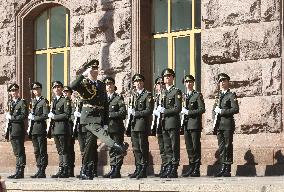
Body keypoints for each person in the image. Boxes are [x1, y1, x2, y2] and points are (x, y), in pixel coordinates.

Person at [70, 59, 128, 180]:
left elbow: (106, 105)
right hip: (88, 116)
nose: (95, 71)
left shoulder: (101, 85)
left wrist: (106, 122)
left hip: (98, 116)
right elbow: (72, 86)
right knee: (100, 136)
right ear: (88, 70)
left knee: (89, 146)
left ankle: (85, 171)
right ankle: (118, 147)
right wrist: (83, 74)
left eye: (96, 69)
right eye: (92, 69)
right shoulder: (84, 83)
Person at [156, 68, 182, 178]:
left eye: (169, 76)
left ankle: (174, 168)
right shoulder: (162, 93)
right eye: (165, 76)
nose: (167, 78)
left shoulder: (176, 91)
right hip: (163, 123)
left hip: (172, 122)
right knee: (167, 146)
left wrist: (165, 111)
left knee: (174, 145)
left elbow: (178, 108)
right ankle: (169, 166)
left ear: (173, 78)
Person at [213, 73, 239, 177]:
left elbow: (235, 109)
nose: (222, 82)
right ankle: (222, 167)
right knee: (221, 147)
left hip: (227, 124)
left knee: (228, 146)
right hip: (219, 125)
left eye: (224, 80)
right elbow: (214, 109)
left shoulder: (231, 95)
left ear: (228, 82)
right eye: (220, 81)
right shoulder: (218, 96)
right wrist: (214, 116)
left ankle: (227, 168)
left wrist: (222, 111)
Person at [128, 74, 153, 179]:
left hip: (142, 125)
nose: (138, 83)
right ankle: (138, 167)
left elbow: (149, 110)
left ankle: (143, 169)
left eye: (140, 81)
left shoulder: (147, 95)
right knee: (136, 148)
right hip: (133, 125)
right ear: (133, 83)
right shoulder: (133, 95)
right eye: (136, 81)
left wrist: (136, 113)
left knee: (142, 147)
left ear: (143, 82)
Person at [180, 75, 205, 177]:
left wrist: (189, 112)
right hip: (186, 125)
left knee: (195, 147)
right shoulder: (184, 96)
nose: (188, 84)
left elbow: (202, 109)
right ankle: (191, 167)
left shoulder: (197, 95)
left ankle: (196, 168)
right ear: (184, 84)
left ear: (193, 83)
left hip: (194, 124)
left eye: (190, 82)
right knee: (189, 147)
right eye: (186, 82)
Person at [102, 77, 126, 178]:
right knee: (111, 149)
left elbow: (123, 112)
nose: (109, 86)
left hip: (116, 127)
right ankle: (112, 168)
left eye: (111, 84)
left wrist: (110, 115)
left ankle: (117, 170)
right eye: (107, 84)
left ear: (114, 85)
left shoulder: (118, 98)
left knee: (118, 148)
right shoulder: (103, 99)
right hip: (107, 128)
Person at [49, 81, 72, 178]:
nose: (57, 89)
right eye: (55, 87)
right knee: (59, 150)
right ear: (53, 90)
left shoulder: (65, 100)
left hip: (62, 128)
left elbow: (67, 114)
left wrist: (55, 116)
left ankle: (65, 170)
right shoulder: (54, 100)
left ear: (62, 89)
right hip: (55, 129)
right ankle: (61, 169)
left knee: (64, 150)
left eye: (59, 87)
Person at [6, 83, 28, 179]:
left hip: (18, 129)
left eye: (15, 90)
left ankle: (20, 171)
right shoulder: (10, 103)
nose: (13, 92)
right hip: (11, 130)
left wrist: (12, 117)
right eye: (12, 91)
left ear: (18, 91)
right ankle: (17, 170)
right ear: (10, 92)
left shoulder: (22, 102)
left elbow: (24, 115)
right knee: (16, 151)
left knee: (20, 150)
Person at [28, 82, 49, 178]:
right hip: (33, 129)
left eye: (37, 89)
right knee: (36, 150)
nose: (35, 91)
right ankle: (38, 168)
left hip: (40, 128)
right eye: (34, 89)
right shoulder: (32, 102)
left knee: (42, 150)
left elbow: (45, 115)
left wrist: (34, 118)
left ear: (40, 90)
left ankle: (42, 170)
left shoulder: (44, 101)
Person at [152, 77, 167, 177]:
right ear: (155, 86)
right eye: (158, 83)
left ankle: (168, 167)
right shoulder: (156, 97)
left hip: (166, 123)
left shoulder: (167, 94)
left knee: (167, 147)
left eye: (162, 83)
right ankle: (164, 166)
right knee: (162, 147)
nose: (160, 85)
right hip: (158, 124)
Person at [62, 86, 76, 177]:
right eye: (64, 92)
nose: (65, 93)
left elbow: (72, 115)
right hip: (63, 127)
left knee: (70, 148)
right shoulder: (63, 102)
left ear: (70, 93)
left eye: (67, 92)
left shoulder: (72, 103)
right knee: (65, 148)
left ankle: (70, 170)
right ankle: (65, 168)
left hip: (70, 126)